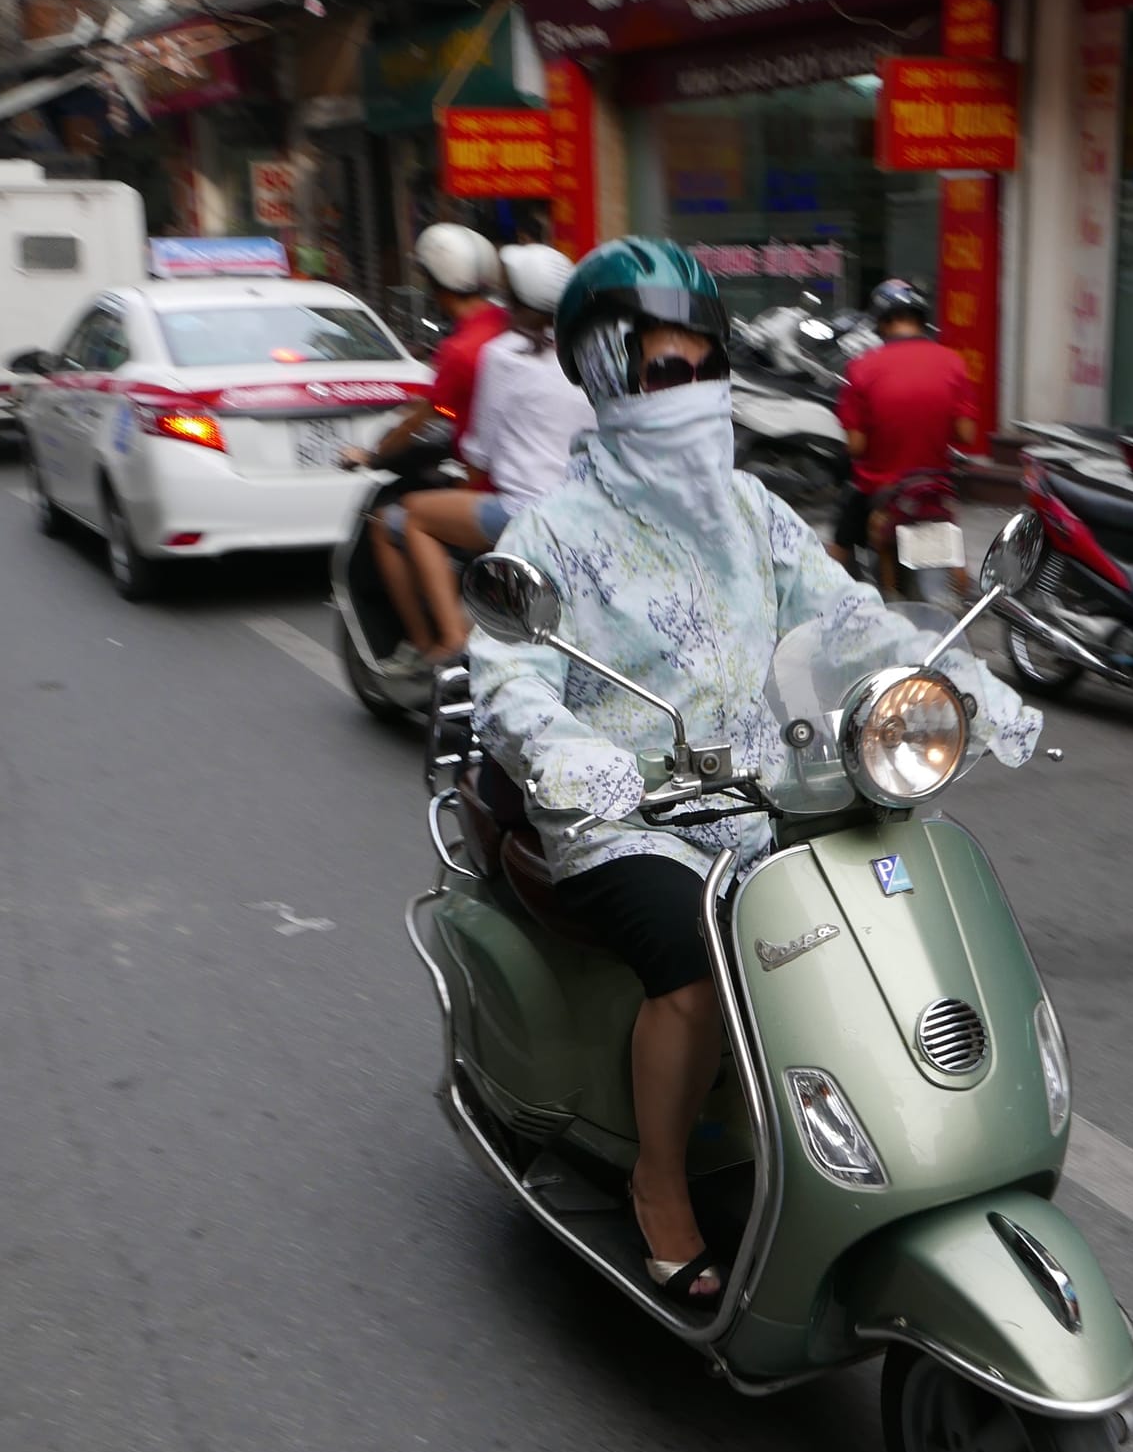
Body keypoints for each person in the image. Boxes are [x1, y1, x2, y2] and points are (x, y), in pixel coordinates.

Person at [470, 238, 1038, 1305]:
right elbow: (507, 677)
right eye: (663, 370)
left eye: (703, 364)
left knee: (883, 882)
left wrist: (959, 676)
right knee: (691, 958)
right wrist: (566, 752)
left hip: (757, 791)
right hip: (623, 809)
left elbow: (848, 615)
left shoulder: (753, 512)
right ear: (604, 375)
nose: (690, 390)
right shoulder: (555, 530)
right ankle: (659, 1186)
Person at [370, 243, 595, 685]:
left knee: (406, 517)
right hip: (585, 510)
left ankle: (445, 644)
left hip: (523, 511)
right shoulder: (591, 351)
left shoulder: (502, 353)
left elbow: (480, 452)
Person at [342, 223, 504, 665]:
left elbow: (422, 417)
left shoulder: (462, 348)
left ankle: (436, 646)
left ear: (438, 284)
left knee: (391, 522)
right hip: (543, 487)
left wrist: (372, 454)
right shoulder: (510, 329)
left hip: (499, 493)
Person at [834, 278, 979, 597]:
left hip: (883, 492)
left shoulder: (861, 368)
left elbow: (856, 446)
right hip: (933, 489)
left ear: (882, 322)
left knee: (840, 535)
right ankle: (961, 581)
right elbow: (967, 434)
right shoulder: (953, 362)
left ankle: (829, 589)